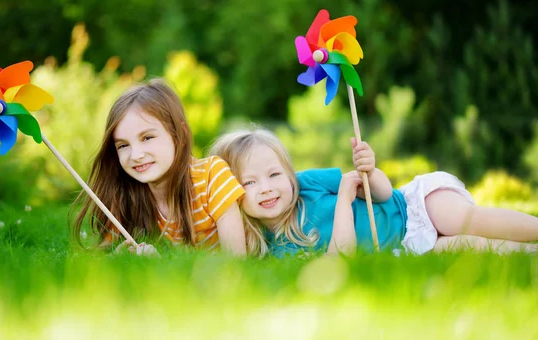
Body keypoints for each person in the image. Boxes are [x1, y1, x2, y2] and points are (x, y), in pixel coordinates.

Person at [209, 127, 538, 257]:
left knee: (466, 220)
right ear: (232, 194)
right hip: (404, 247)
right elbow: (345, 255)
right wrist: (343, 202)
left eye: (274, 174)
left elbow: (379, 193)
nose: (265, 188)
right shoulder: (277, 250)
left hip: (412, 207)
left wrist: (369, 170)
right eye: (249, 183)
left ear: (290, 174)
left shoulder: (309, 183)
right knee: (469, 247)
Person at [72, 79, 246, 256]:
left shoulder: (211, 176)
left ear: (180, 135)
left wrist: (162, 262)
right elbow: (101, 263)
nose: (136, 155)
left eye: (147, 138)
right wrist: (120, 256)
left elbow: (236, 260)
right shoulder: (125, 195)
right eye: (123, 145)